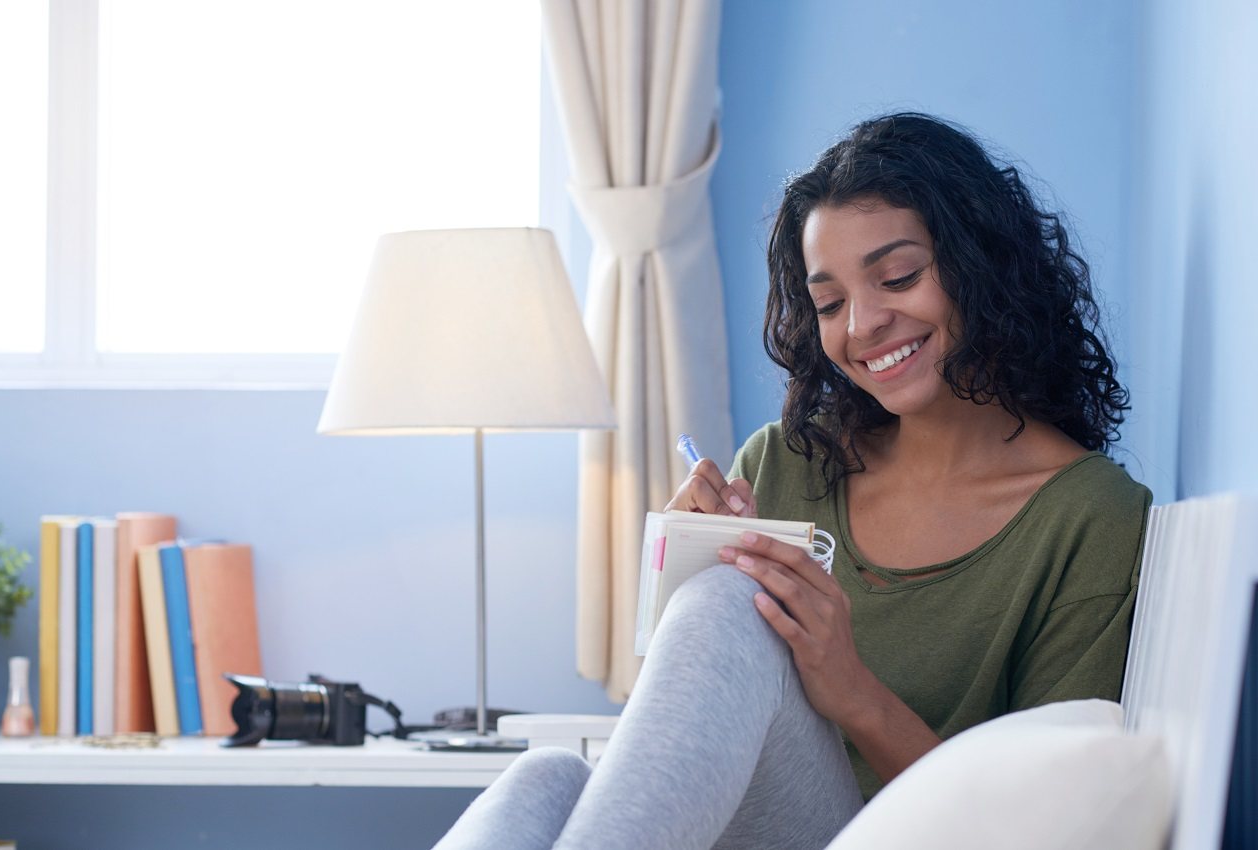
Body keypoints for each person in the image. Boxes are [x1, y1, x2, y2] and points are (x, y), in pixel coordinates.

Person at [432, 112, 1151, 850]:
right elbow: (694, 735)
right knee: (545, 776)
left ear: (985, 264)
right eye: (830, 302)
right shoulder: (784, 463)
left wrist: (854, 692)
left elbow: (1037, 830)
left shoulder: (1089, 517)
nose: (863, 324)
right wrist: (678, 580)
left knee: (720, 607)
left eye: (897, 277)